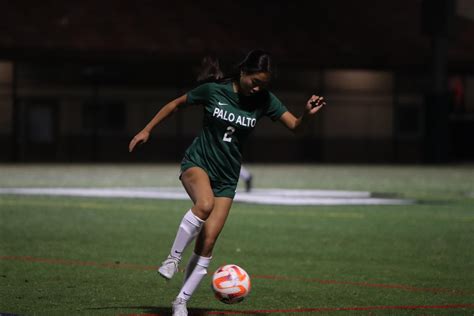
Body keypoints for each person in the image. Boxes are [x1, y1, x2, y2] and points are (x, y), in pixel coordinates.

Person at [128, 49, 325, 315]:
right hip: (198, 163)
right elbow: (175, 104)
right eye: (255, 81)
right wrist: (146, 130)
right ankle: (172, 259)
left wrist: (308, 115)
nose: (258, 88)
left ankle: (181, 302)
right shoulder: (213, 91)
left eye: (263, 84)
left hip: (227, 177)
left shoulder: (265, 99)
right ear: (243, 72)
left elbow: (295, 127)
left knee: (207, 243)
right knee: (204, 204)